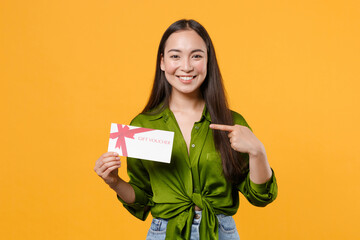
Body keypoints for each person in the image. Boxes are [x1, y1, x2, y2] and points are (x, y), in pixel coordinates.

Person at [94, 19, 278, 240]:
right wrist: (114, 181)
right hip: (164, 232)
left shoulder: (231, 122)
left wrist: (258, 152)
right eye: (175, 56)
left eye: (196, 55)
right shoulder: (143, 125)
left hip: (220, 232)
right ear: (162, 62)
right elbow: (143, 199)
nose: (186, 66)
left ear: (208, 61)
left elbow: (261, 197)